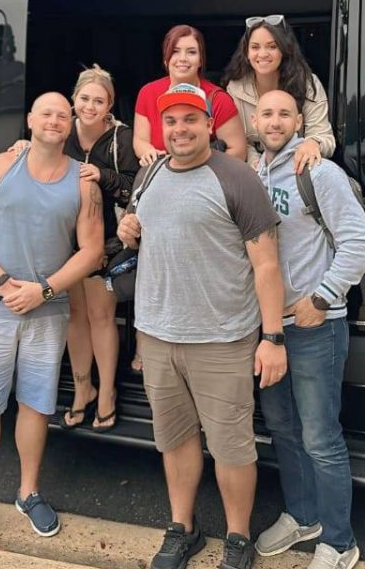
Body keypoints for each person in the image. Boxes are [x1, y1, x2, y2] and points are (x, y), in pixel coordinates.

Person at [118, 82, 287, 569]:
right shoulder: (148, 176)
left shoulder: (237, 178)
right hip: (157, 334)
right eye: (170, 121)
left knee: (232, 446)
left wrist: (272, 338)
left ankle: (238, 538)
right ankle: (183, 528)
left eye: (190, 119)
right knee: (174, 438)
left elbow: (267, 266)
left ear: (210, 125)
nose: (179, 129)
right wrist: (125, 229)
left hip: (222, 338)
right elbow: (135, 230)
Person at [0, 92, 104, 558]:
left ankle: (28, 492)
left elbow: (92, 251)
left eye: (64, 114)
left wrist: (45, 291)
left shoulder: (84, 182)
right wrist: (3, 281)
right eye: (48, 113)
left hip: (48, 310)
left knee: (36, 406)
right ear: (31, 120)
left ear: (70, 123)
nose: (56, 120)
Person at [250, 90, 365, 569]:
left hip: (314, 326)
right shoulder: (253, 174)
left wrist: (322, 296)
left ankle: (340, 542)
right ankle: (303, 516)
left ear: (300, 121)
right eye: (267, 113)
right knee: (282, 427)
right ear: (255, 121)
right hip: (269, 330)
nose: (275, 120)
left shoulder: (318, 173)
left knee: (320, 437)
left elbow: (359, 243)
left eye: (285, 113)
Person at [9, 65, 139, 431]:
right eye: (84, 99)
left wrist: (103, 175)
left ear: (110, 104)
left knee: (101, 316)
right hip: (63, 239)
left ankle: (109, 392)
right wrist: (23, 145)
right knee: (74, 316)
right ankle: (84, 389)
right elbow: (36, 158)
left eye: (99, 100)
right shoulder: (61, 130)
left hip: (107, 241)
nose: (90, 106)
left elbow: (136, 186)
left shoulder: (121, 139)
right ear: (74, 100)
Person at [221, 15, 335, 172]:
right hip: (257, 171)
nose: (262, 54)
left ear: (284, 49)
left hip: (296, 168)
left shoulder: (307, 83)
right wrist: (257, 164)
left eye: (272, 47)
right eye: (255, 47)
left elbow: (324, 136)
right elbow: (241, 142)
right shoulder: (235, 88)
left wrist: (312, 144)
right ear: (246, 53)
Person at [133, 24, 247, 166]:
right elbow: (140, 140)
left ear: (200, 60)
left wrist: (199, 173)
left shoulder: (218, 99)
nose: (183, 58)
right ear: (165, 59)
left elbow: (238, 151)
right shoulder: (148, 93)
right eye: (175, 51)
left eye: (191, 52)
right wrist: (149, 152)